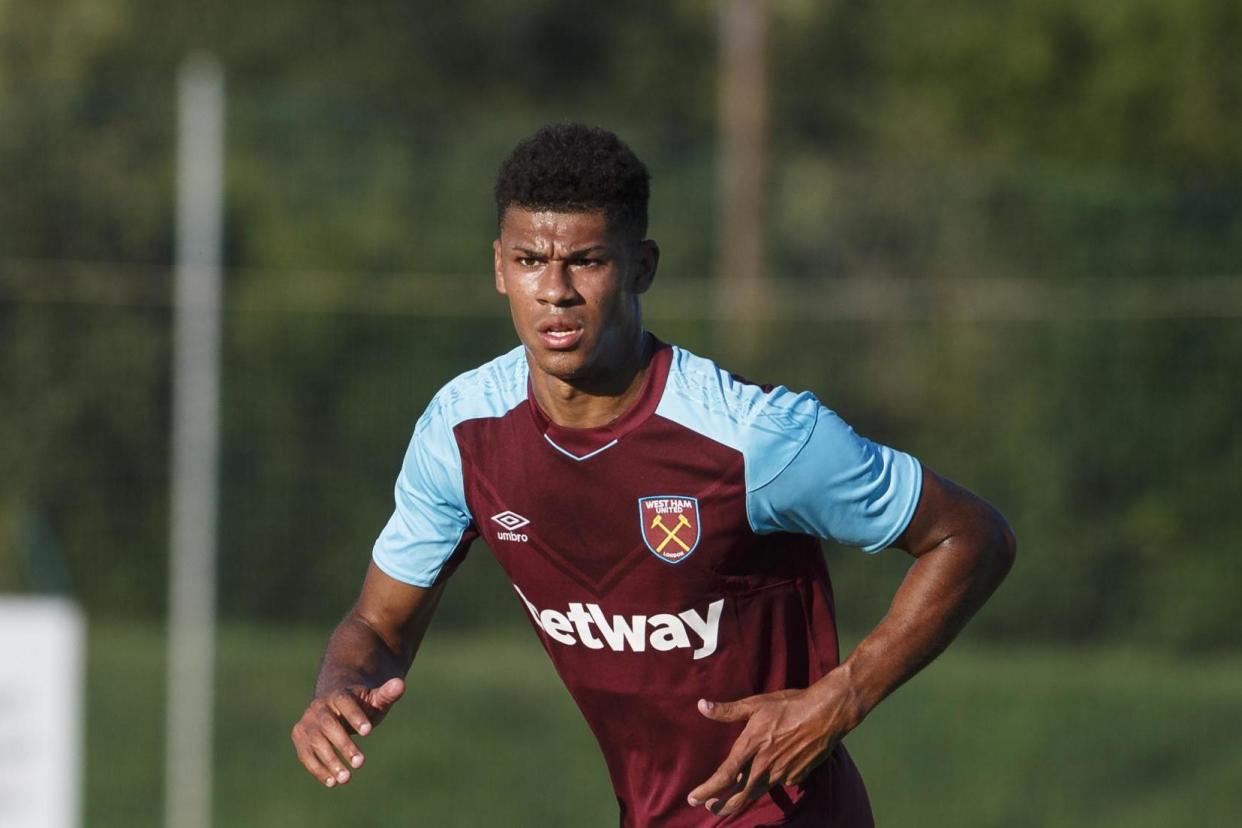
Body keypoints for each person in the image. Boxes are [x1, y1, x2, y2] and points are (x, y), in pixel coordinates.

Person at [290, 123, 1016, 827]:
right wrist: (339, 686)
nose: (555, 290)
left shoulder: (752, 439)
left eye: (588, 261)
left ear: (642, 266)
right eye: (529, 260)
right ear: (498, 268)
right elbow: (379, 623)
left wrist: (841, 697)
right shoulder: (461, 432)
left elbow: (971, 536)